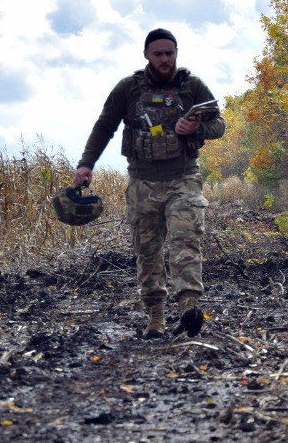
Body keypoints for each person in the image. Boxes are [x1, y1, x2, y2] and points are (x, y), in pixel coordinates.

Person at [73, 28, 225, 339]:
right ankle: (155, 318)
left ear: (176, 53)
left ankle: (189, 308)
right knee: (148, 250)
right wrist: (86, 164)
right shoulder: (129, 89)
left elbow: (219, 124)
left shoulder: (191, 86)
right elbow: (104, 126)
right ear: (146, 55)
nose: (165, 59)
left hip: (183, 178)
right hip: (142, 181)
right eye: (158, 54)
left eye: (170, 53)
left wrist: (195, 129)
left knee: (186, 241)